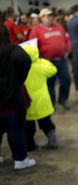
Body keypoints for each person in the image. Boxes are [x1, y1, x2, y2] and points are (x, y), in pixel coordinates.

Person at [0, 24, 36, 170]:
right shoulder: (13, 49)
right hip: (12, 98)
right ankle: (20, 159)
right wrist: (17, 79)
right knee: (15, 128)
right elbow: (25, 60)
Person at [29, 8, 72, 110]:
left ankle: (63, 99)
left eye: (51, 15)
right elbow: (32, 47)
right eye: (47, 16)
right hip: (46, 62)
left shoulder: (59, 27)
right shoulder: (36, 31)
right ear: (41, 18)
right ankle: (51, 103)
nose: (50, 18)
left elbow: (67, 40)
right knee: (50, 84)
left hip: (62, 60)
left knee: (66, 79)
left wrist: (68, 50)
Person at [22, 45, 58, 151]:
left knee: (28, 127)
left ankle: (30, 145)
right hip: (43, 101)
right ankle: (52, 141)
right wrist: (41, 60)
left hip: (27, 102)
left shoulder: (21, 67)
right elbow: (53, 69)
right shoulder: (41, 66)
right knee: (47, 123)